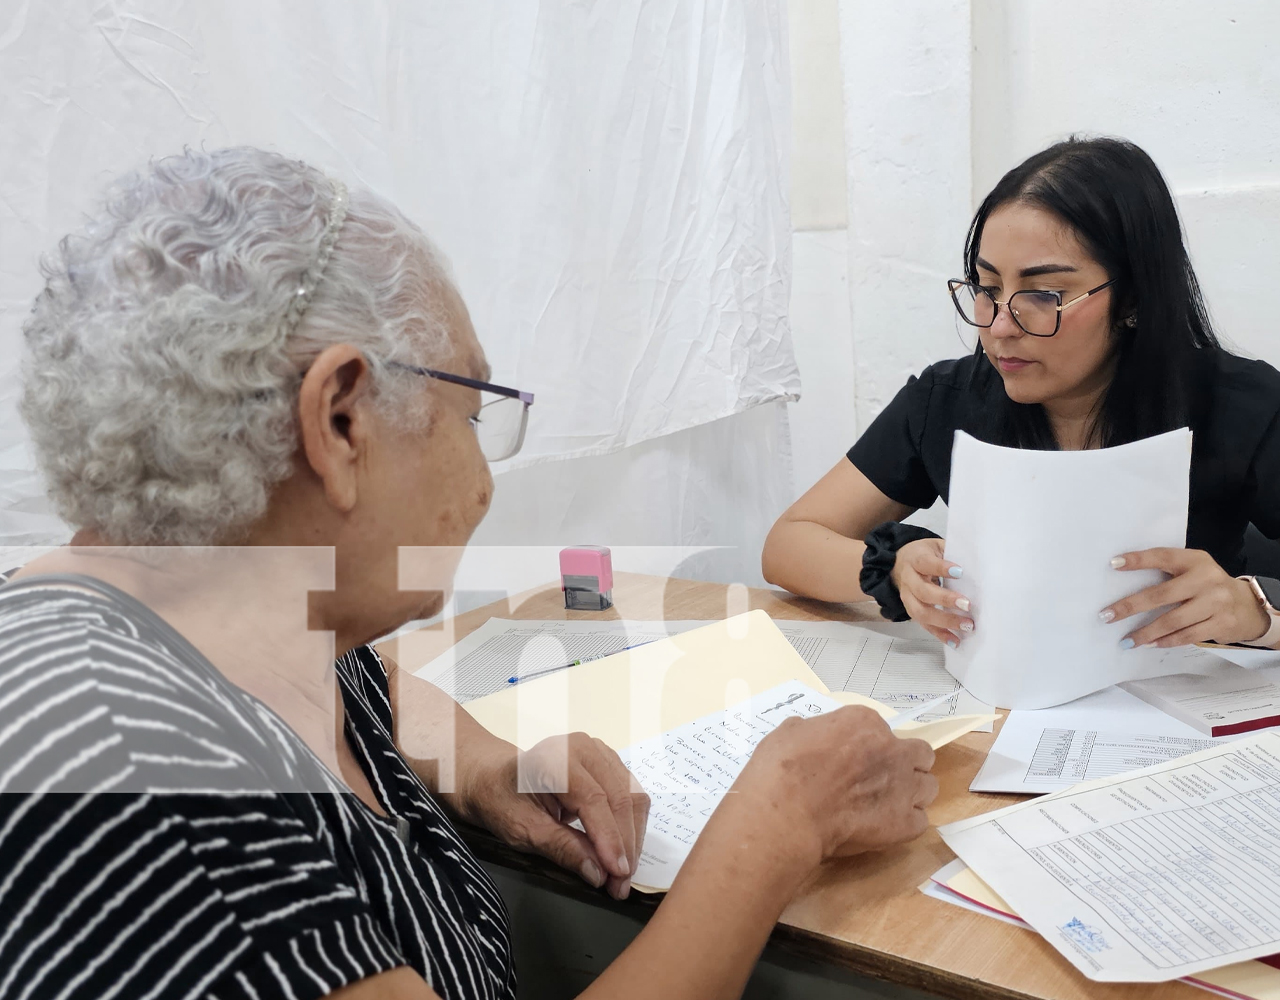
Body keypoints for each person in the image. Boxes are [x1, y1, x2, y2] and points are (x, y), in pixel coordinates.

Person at [0, 147, 938, 1000]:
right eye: (471, 413)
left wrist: (488, 761)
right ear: (338, 419)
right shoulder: (156, 793)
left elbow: (366, 689)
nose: (484, 483)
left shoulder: (201, 606)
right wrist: (775, 827)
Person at [763, 137, 1280, 664]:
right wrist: (890, 573)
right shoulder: (949, 399)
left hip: (1184, 726)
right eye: (985, 286)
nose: (1000, 325)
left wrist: (1254, 607)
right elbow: (790, 543)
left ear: (1134, 300)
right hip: (1001, 707)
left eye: (1045, 294)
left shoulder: (1238, 405)